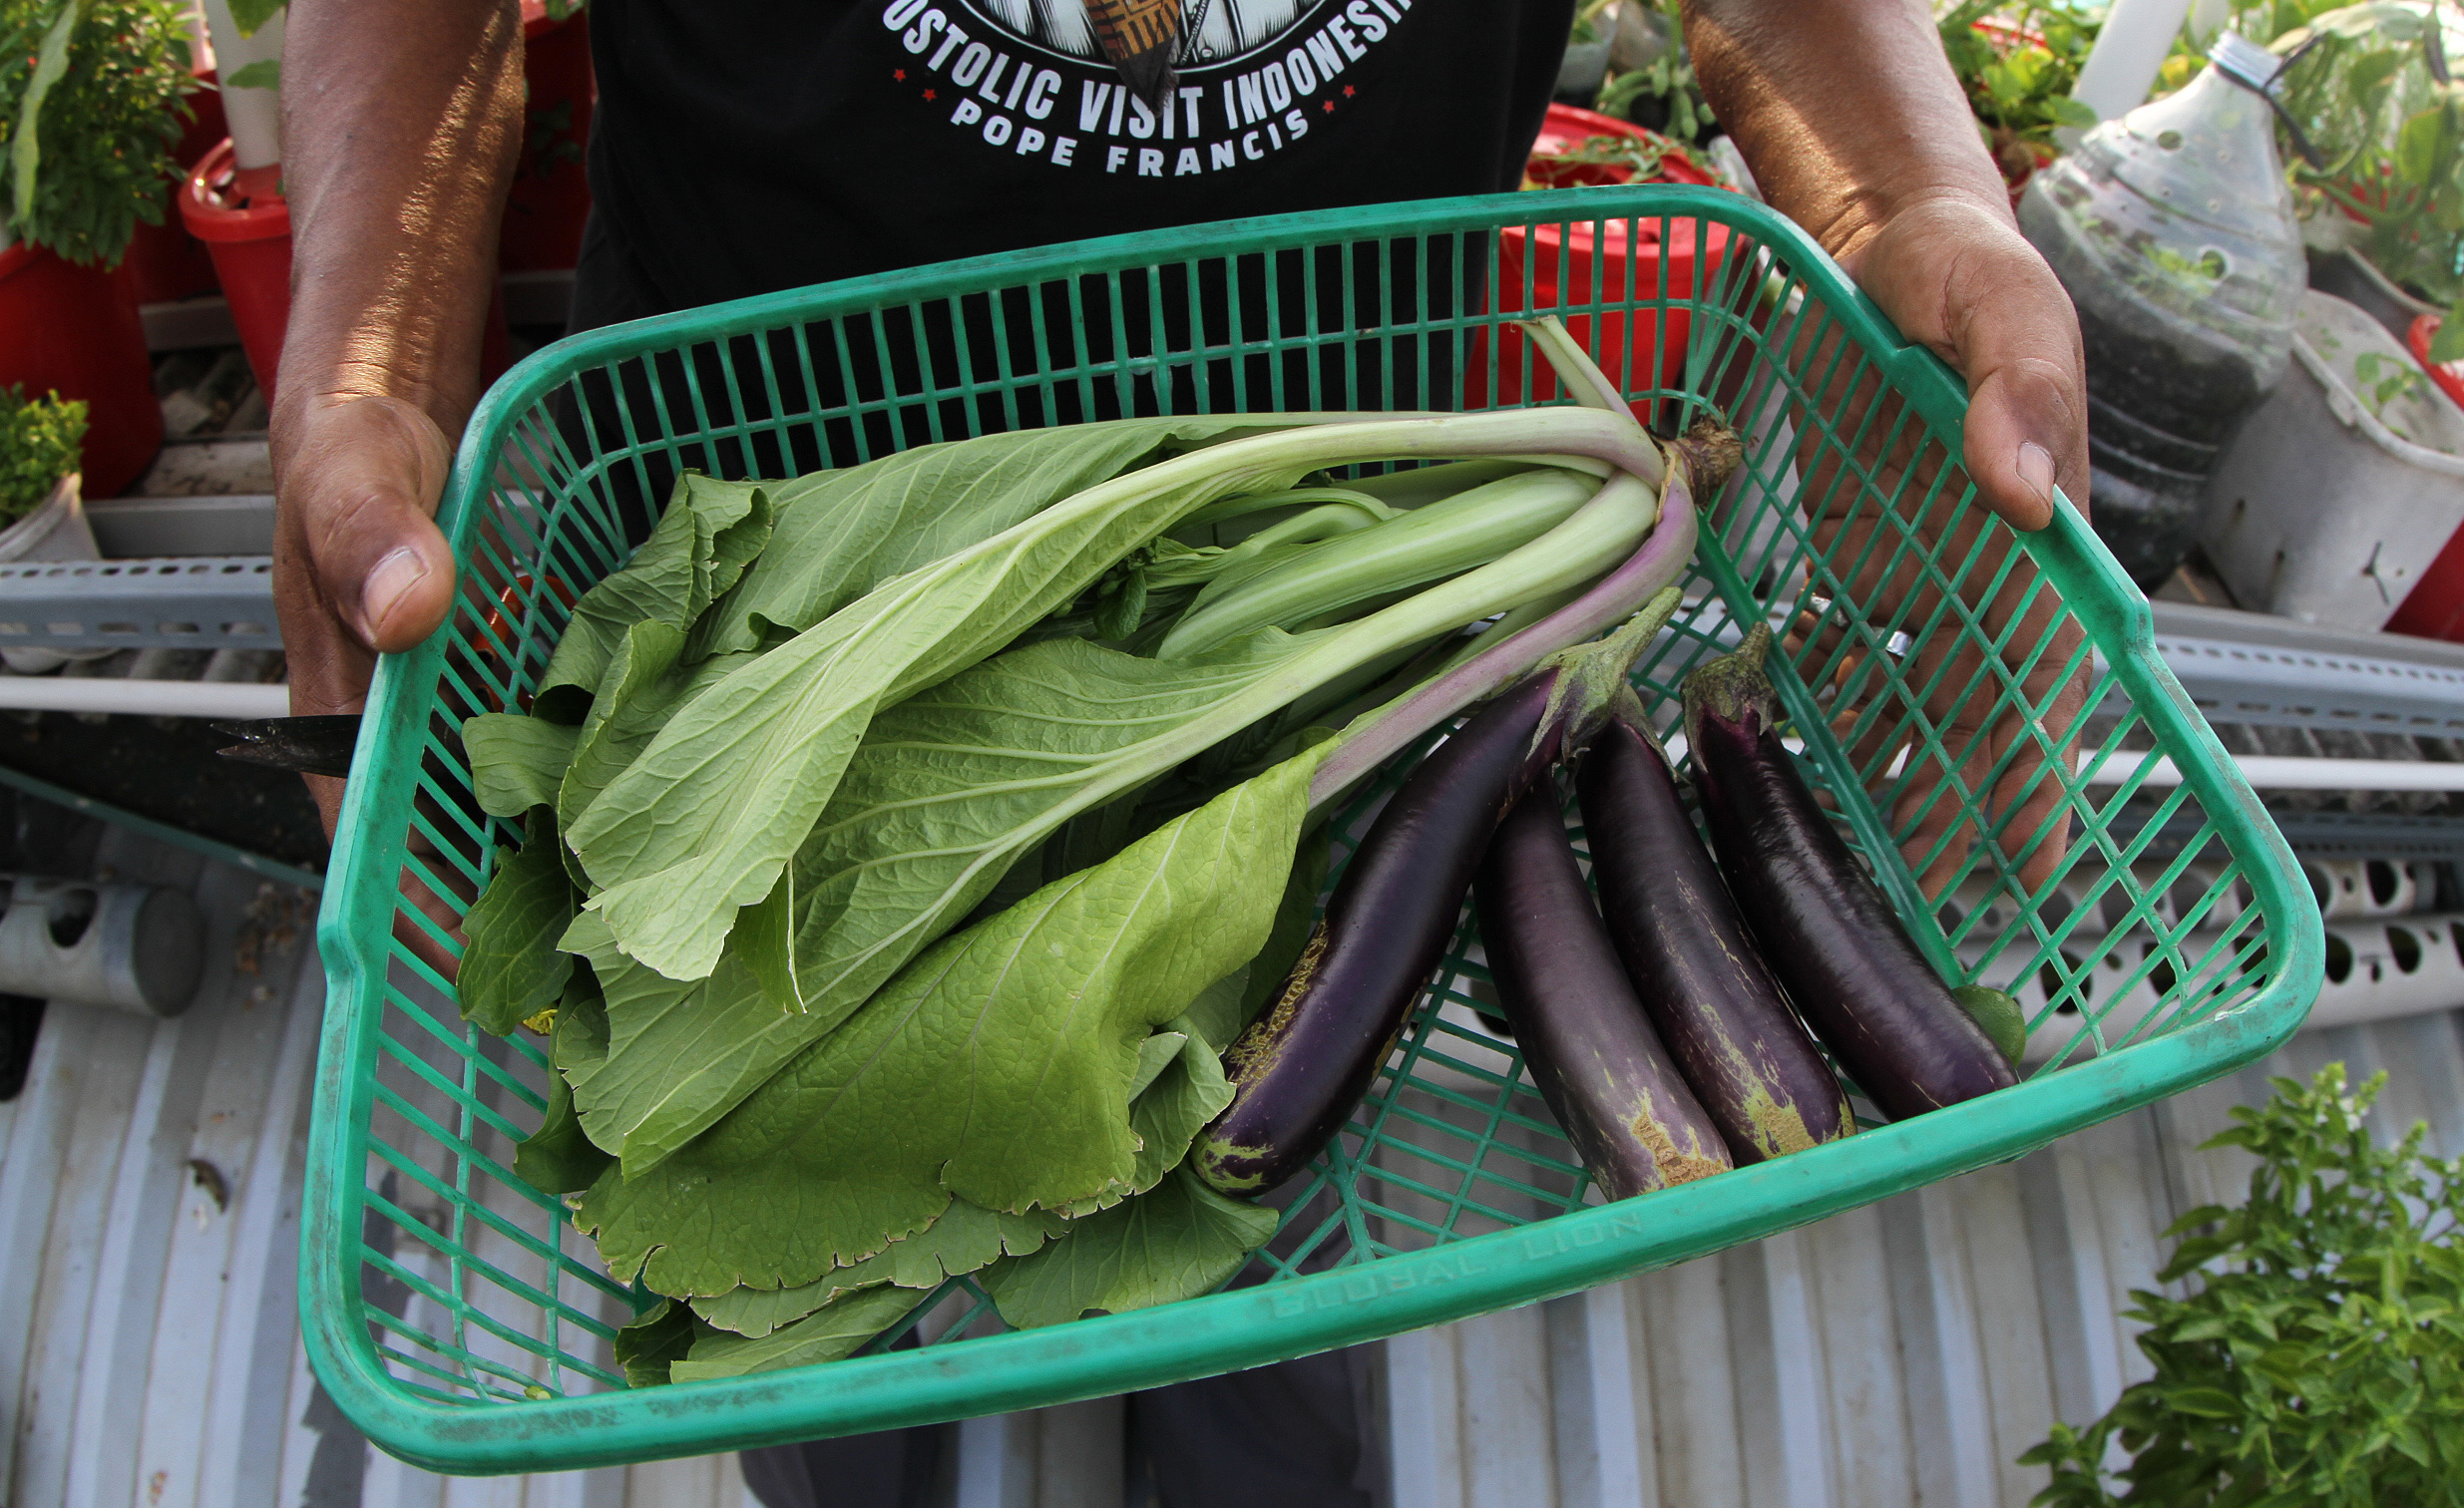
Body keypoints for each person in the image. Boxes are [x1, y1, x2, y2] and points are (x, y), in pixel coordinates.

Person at [267, 2, 2089, 1502]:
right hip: (774, 585)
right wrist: (375, 358)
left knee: (1253, 1220)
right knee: (811, 1297)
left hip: (1317, 613)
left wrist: (1900, 201)